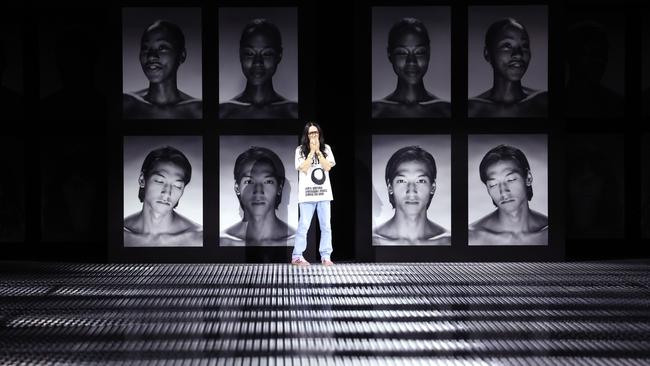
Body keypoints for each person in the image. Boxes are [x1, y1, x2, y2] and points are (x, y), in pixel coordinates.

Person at [468, 144, 548, 245]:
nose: (503, 191)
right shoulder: (472, 237)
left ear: (528, 178)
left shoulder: (550, 233)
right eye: (493, 184)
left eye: (511, 179)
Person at [219, 18, 298, 119]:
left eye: (267, 54)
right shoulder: (222, 113)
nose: (257, 62)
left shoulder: (295, 112)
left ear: (279, 55)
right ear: (240, 54)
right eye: (249, 53)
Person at [468, 18, 548, 118]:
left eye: (524, 46)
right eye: (507, 45)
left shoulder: (544, 102)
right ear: (487, 54)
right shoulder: (471, 109)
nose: (518, 54)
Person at [372, 18, 451, 118]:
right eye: (402, 52)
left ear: (429, 53)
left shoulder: (447, 111)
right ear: (389, 54)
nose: (411, 61)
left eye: (419, 52)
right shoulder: (374, 112)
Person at [124, 146, 202, 246]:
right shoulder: (119, 235)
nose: (167, 192)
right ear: (142, 180)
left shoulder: (199, 238)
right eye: (159, 181)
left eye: (177, 186)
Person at [123, 20, 202, 119]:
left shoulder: (199, 111)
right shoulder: (126, 104)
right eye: (145, 48)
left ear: (182, 56)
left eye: (162, 47)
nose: (151, 56)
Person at [373, 146, 450, 245]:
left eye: (421, 181)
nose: (411, 191)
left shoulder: (447, 241)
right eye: (402, 181)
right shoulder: (373, 242)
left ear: (432, 187)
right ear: (390, 187)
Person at [220, 146, 296, 246]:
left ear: (279, 187)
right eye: (249, 181)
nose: (258, 191)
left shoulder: (297, 242)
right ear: (237, 187)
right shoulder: (223, 242)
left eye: (268, 181)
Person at [292, 122, 336, 266]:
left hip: (323, 194)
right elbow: (303, 168)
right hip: (307, 194)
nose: (313, 135)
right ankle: (297, 256)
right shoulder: (300, 150)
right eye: (311, 133)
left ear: (319, 134)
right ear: (306, 135)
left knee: (326, 226)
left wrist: (318, 152)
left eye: (315, 133)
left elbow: (328, 167)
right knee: (303, 225)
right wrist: (311, 152)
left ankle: (326, 256)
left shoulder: (326, 148)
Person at [565, 21, 624, 118]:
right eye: (592, 54)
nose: (600, 61)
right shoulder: (552, 105)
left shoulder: (617, 105)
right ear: (572, 56)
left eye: (603, 55)